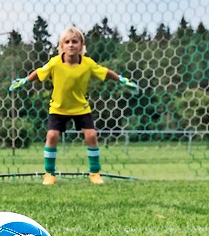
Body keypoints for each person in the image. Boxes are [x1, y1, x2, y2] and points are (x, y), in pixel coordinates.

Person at [9, 26, 138, 185]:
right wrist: (24, 81)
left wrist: (121, 80)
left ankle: (95, 173)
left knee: (91, 136)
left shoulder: (87, 64)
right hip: (58, 107)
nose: (71, 45)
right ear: (61, 46)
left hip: (81, 108)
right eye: (67, 42)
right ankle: (49, 174)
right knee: (52, 136)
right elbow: (39, 72)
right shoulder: (55, 63)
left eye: (75, 41)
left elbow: (105, 72)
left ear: (81, 45)